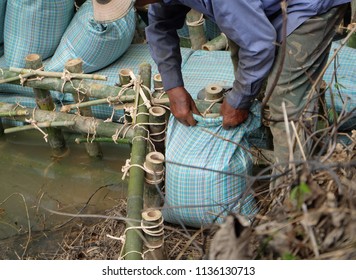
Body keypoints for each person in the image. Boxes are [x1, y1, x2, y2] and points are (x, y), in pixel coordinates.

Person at [93, 0, 350, 166]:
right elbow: (160, 28)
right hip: (257, 9)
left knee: (284, 99)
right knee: (253, 77)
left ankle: (291, 203)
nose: (137, 6)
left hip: (309, 6)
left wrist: (238, 100)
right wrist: (174, 87)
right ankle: (271, 152)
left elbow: (259, 46)